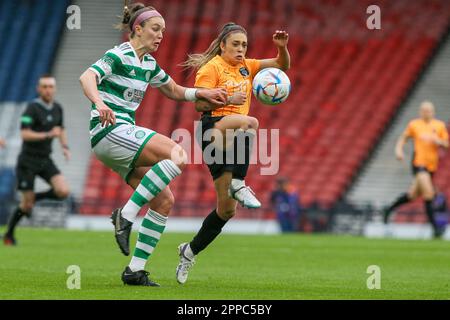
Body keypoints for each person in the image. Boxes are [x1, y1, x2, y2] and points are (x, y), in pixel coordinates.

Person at [79, 2, 227, 287]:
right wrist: (98, 103)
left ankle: (135, 271)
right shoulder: (119, 54)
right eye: (155, 29)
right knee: (177, 153)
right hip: (109, 130)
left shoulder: (148, 64)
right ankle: (126, 214)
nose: (161, 35)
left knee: (164, 201)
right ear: (138, 28)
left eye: (163, 31)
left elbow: (173, 90)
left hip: (119, 141)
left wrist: (204, 93)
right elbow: (87, 76)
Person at [175, 22, 290, 284]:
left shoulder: (246, 66)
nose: (241, 49)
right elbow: (199, 104)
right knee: (251, 122)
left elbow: (281, 66)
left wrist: (282, 48)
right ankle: (240, 182)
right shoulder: (210, 68)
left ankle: (189, 251)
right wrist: (229, 100)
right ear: (223, 44)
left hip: (234, 136)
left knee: (226, 210)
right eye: (236, 44)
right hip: (213, 129)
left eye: (244, 45)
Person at [3, 74, 71, 246]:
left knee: (63, 191)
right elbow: (24, 133)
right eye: (45, 87)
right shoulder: (31, 108)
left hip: (45, 159)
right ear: (39, 89)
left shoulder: (58, 108)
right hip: (27, 161)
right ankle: (9, 235)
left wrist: (65, 147)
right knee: (25, 206)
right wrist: (47, 134)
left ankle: (34, 198)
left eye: (50, 86)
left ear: (54, 89)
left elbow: (60, 128)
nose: (48, 90)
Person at [383, 101, 449, 238]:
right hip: (418, 164)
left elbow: (447, 144)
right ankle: (435, 229)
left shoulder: (440, 126)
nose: (426, 113)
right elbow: (403, 138)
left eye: (428, 110)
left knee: (412, 195)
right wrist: (398, 150)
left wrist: (439, 141)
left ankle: (388, 209)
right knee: (429, 194)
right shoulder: (414, 125)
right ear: (420, 112)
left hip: (432, 166)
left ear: (433, 111)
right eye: (423, 110)